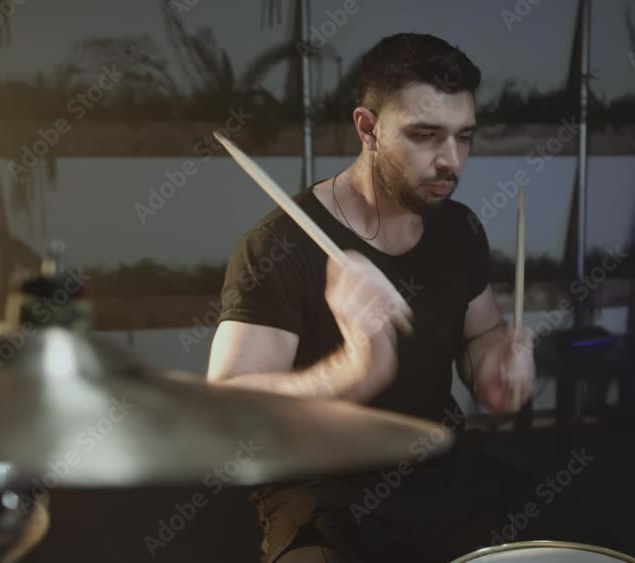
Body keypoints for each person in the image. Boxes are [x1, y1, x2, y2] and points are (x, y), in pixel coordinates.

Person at [207, 33, 536, 563]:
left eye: (464, 137)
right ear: (368, 128)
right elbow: (225, 413)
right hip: (321, 486)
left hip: (438, 471)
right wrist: (353, 371)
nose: (452, 160)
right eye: (426, 135)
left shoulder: (459, 228)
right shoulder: (278, 246)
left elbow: (481, 332)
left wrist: (493, 370)